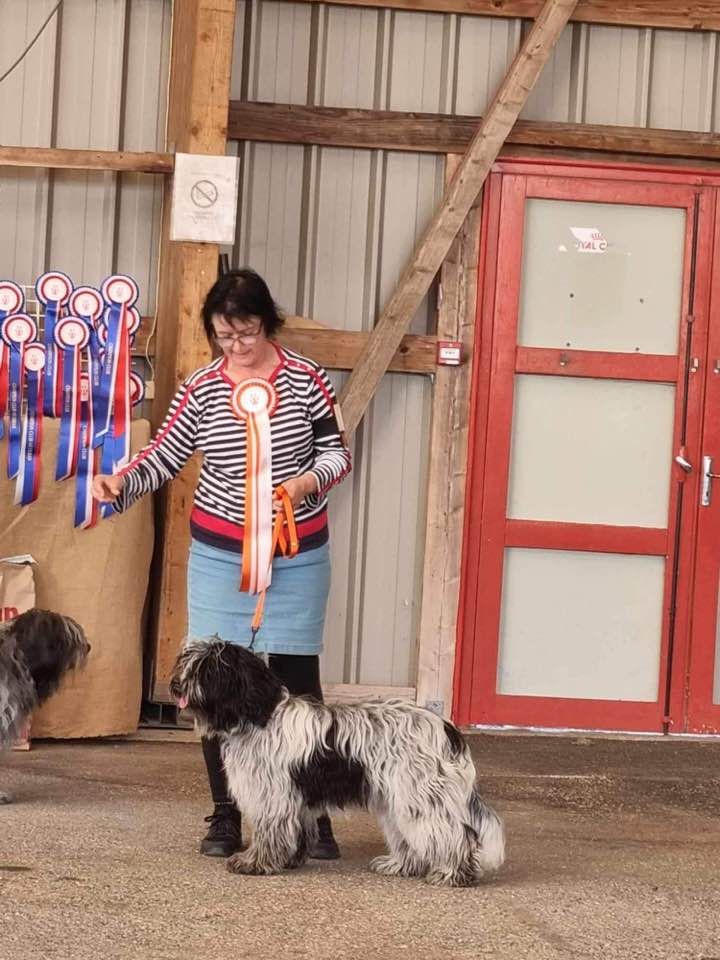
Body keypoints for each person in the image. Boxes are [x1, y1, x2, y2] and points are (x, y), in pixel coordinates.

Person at [92, 269, 351, 860]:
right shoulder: (203, 386)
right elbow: (165, 453)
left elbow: (338, 452)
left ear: (269, 324)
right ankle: (227, 813)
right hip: (218, 554)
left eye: (247, 333)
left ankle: (314, 815)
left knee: (298, 685)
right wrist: (122, 483)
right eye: (224, 336)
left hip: (296, 553)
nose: (236, 346)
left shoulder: (309, 379)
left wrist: (309, 479)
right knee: (211, 684)